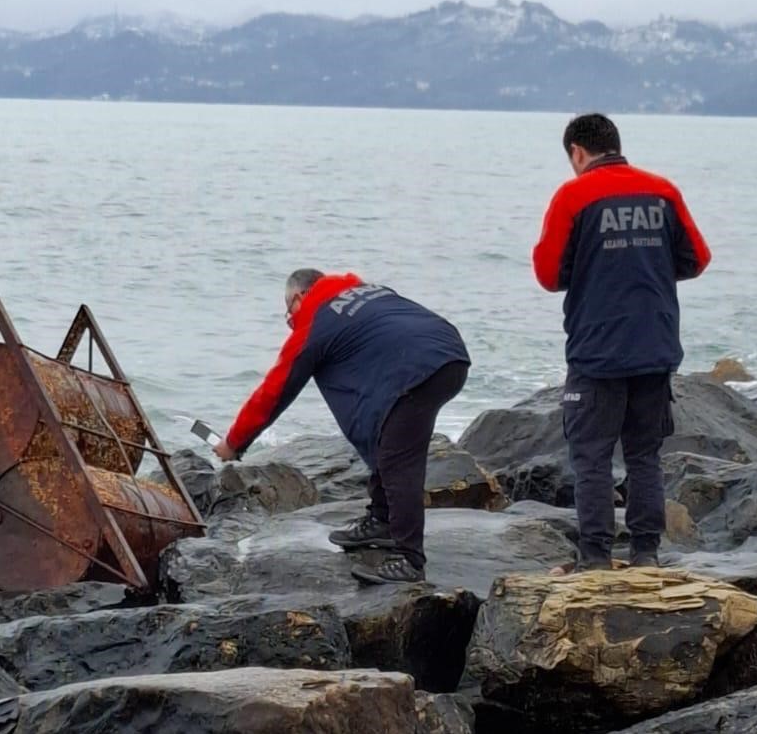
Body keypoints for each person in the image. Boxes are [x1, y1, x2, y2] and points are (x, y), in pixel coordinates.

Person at [532, 113, 711, 571]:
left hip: (597, 351)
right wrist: (645, 265)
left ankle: (594, 557)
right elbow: (697, 259)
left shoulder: (573, 195)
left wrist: (596, 268)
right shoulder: (662, 191)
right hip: (655, 346)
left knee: (591, 456)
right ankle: (646, 553)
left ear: (578, 152)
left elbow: (549, 274)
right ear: (615, 144)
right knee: (644, 454)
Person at [212, 269, 470, 584]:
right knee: (386, 433)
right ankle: (382, 520)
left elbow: (275, 391)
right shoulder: (369, 291)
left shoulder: (315, 320)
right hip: (448, 352)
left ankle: (409, 559)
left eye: (288, 312)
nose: (291, 321)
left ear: (297, 298)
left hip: (419, 368)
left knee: (398, 459)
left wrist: (234, 443)